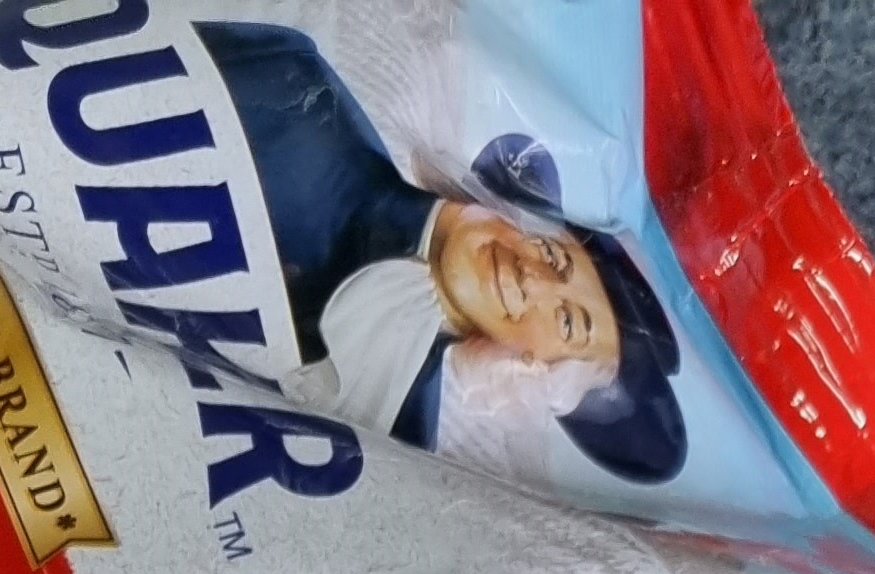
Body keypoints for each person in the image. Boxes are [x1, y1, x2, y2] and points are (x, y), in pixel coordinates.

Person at [193, 19, 685, 483]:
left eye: (566, 320)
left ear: (533, 368)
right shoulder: (292, 94)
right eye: (556, 258)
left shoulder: (396, 443)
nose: (531, 276)